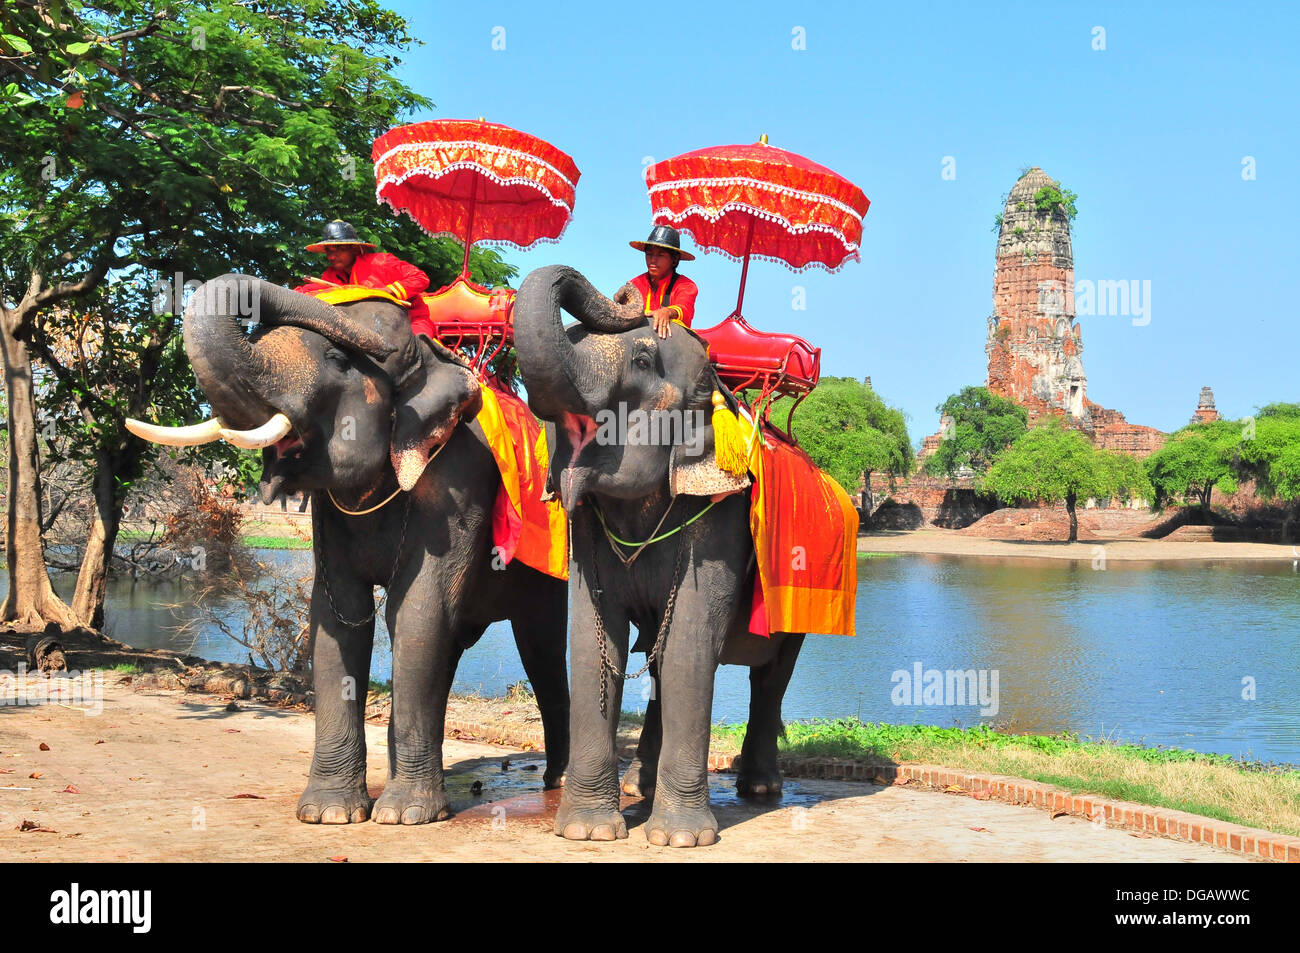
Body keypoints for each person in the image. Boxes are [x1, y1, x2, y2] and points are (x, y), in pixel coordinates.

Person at [295, 219, 435, 338]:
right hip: (369, 329)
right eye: (329, 251)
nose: (332, 256)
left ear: (354, 249)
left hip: (409, 320)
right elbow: (312, 291)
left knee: (421, 348)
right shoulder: (330, 275)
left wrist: (387, 292)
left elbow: (420, 278)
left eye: (338, 249)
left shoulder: (381, 262)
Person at [627, 225, 698, 338]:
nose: (653, 260)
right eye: (649, 254)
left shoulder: (686, 285)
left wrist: (668, 312)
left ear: (674, 260)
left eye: (660, 255)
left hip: (674, 344)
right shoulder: (634, 284)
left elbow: (685, 310)